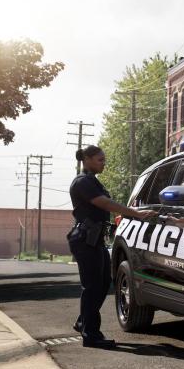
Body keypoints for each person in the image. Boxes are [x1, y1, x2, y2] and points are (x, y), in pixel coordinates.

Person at [69, 145, 157, 348]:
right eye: (100, 160)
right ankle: (91, 335)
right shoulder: (82, 182)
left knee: (103, 284)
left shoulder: (92, 181)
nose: (104, 163)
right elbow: (105, 204)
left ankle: (83, 321)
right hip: (85, 240)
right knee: (91, 287)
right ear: (88, 159)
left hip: (96, 239)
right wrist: (137, 214)